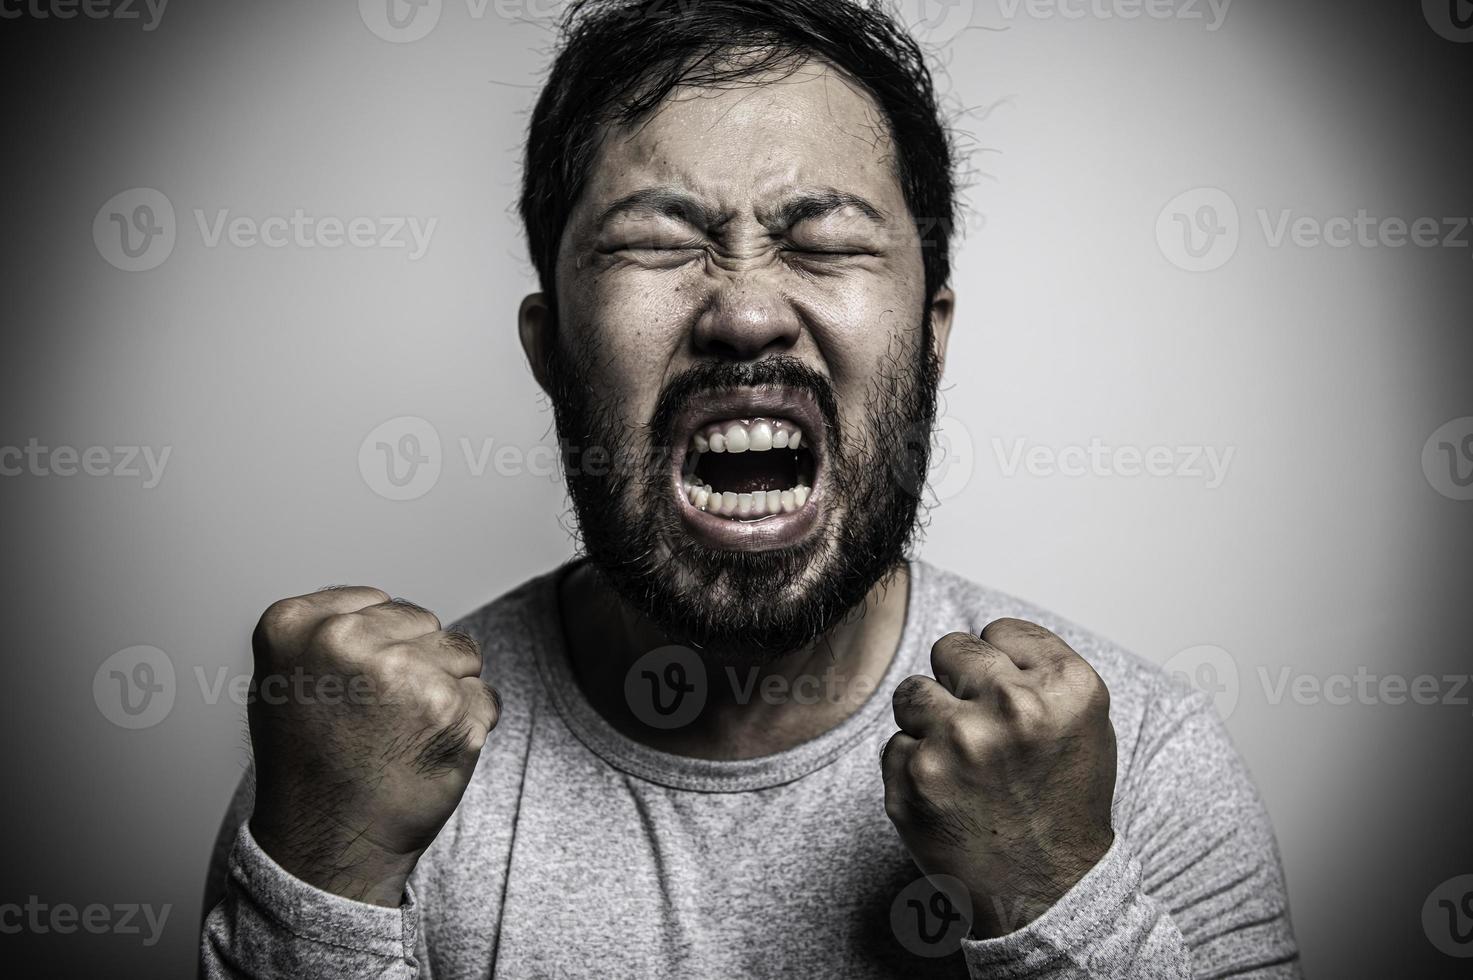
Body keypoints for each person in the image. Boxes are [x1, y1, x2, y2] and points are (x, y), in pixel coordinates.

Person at [200, 1, 1300, 975]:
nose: (744, 312)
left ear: (931, 335)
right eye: (656, 243)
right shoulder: (352, 776)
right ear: (550, 347)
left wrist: (1057, 894)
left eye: (823, 242)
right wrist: (324, 886)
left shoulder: (1138, 766)